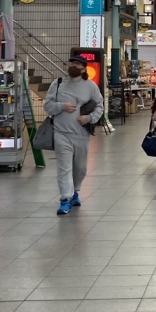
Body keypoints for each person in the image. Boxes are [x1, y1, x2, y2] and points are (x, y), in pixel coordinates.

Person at [44, 54, 104, 215]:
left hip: (81, 135)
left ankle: (75, 191)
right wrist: (61, 106)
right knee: (64, 168)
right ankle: (65, 199)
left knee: (80, 168)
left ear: (84, 68)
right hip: (61, 133)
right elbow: (47, 105)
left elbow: (100, 105)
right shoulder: (58, 84)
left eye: (77, 64)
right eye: (71, 63)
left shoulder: (90, 86)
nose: (73, 66)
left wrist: (89, 118)